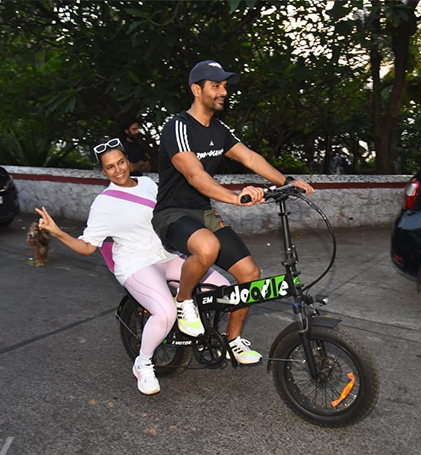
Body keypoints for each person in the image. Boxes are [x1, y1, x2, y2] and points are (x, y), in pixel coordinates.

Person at [34, 138, 229, 395]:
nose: (119, 170)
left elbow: (169, 212)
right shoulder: (104, 204)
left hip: (168, 255)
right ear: (103, 171)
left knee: (223, 291)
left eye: (121, 162)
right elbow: (87, 247)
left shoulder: (148, 184)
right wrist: (57, 233)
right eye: (110, 167)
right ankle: (144, 362)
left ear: (128, 161)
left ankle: (204, 338)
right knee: (166, 312)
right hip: (136, 263)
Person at [151, 60, 314, 365]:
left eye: (225, 85)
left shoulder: (219, 129)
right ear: (196, 90)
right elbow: (195, 176)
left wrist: (287, 182)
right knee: (207, 247)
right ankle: (184, 300)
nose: (224, 91)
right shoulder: (179, 127)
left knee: (249, 275)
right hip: (172, 214)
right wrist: (235, 198)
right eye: (216, 85)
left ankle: (232, 339)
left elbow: (250, 158)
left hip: (202, 213)